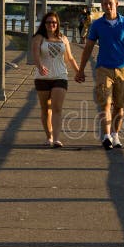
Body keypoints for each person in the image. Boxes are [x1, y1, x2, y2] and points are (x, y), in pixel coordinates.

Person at [75, 0, 124, 150]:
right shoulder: (97, 25)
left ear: (117, 4)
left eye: (110, 3)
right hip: (103, 68)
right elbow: (88, 48)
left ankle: (115, 135)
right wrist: (81, 70)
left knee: (119, 106)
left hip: (122, 69)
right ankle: (106, 136)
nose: (107, 6)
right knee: (105, 103)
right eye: (104, 4)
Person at [32, 11, 80, 148]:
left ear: (57, 24)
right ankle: (49, 137)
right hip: (42, 77)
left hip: (60, 76)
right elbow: (35, 54)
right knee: (45, 109)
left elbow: (70, 58)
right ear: (44, 24)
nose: (51, 24)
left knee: (57, 108)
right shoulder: (39, 38)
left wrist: (78, 72)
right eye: (48, 22)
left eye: (54, 22)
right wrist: (40, 66)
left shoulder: (63, 39)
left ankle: (57, 139)